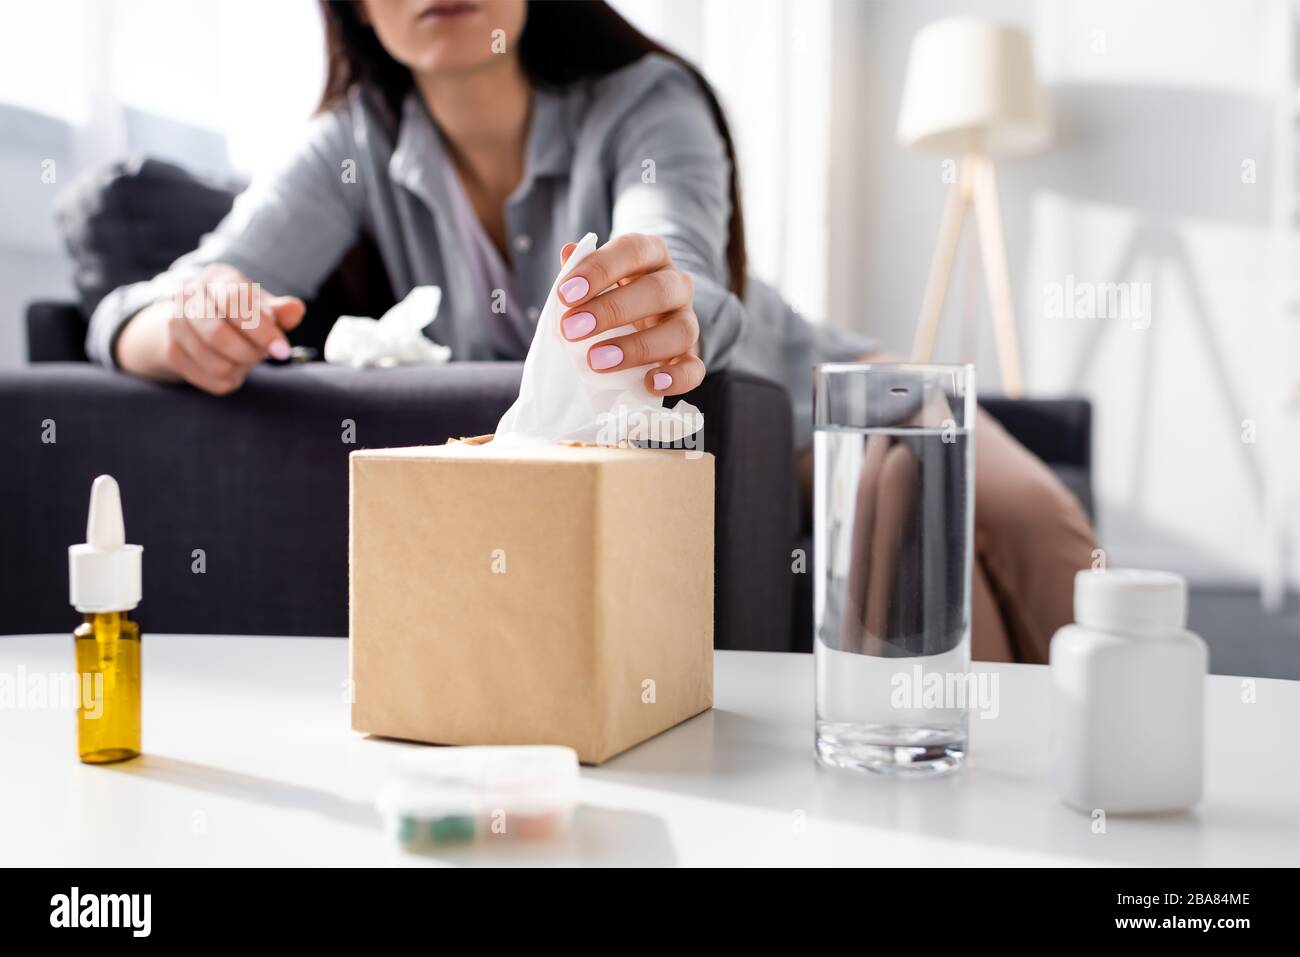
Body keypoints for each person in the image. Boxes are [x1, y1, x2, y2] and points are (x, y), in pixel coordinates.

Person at [86, 0, 1094, 662]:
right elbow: (143, 309)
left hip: (833, 383)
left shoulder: (644, 102)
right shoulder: (347, 145)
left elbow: (682, 259)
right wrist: (184, 330)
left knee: (1020, 518)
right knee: (920, 538)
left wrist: (656, 301)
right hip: (732, 445)